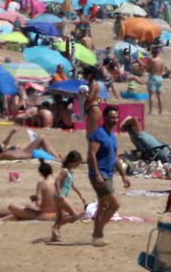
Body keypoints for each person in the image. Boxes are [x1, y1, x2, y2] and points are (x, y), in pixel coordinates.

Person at [87, 104, 129, 245]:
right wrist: (97, 174)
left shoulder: (112, 137)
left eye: (116, 117)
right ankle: (98, 231)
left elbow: (115, 158)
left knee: (102, 206)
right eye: (111, 117)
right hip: (100, 174)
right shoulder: (99, 134)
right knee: (115, 205)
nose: (114, 120)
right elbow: (91, 154)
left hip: (108, 174)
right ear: (104, 117)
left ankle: (96, 236)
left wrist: (123, 175)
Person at [49, 151, 85, 243]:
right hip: (59, 196)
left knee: (59, 217)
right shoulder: (64, 171)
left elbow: (72, 185)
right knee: (75, 215)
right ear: (73, 162)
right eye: (77, 163)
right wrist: (59, 193)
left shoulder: (69, 172)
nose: (78, 165)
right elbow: (57, 181)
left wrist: (80, 194)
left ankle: (54, 236)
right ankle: (56, 227)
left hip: (59, 196)